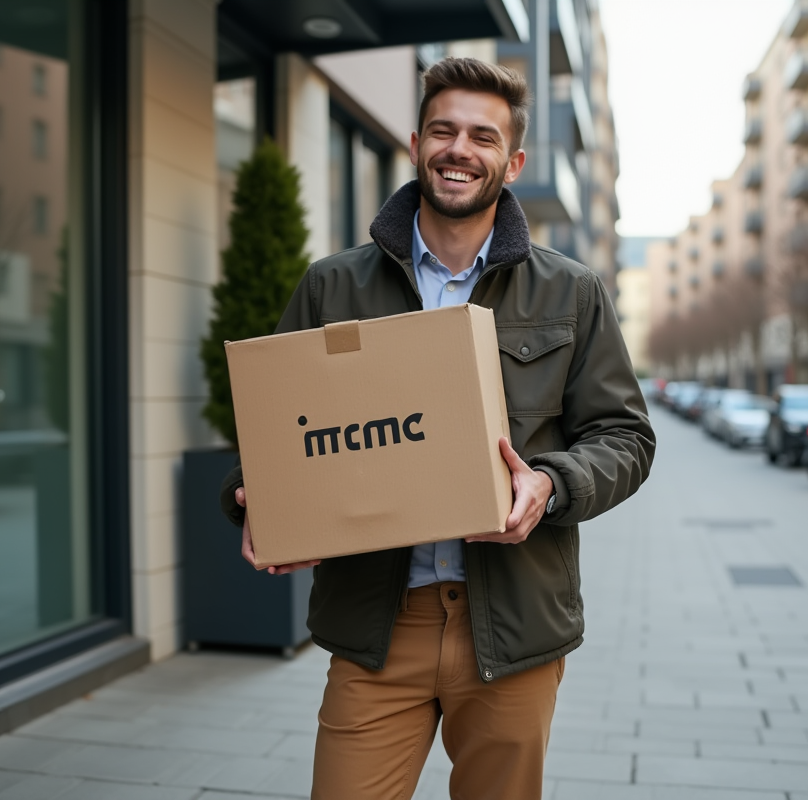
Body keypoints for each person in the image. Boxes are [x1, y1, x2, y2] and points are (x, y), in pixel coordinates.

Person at [219, 57, 654, 800]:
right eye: (444, 131)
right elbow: (277, 429)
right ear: (417, 143)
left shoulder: (571, 291)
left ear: (512, 163)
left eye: (483, 137)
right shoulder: (333, 285)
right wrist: (258, 497)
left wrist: (551, 485)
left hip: (512, 626)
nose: (460, 150)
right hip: (379, 629)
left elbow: (626, 437)